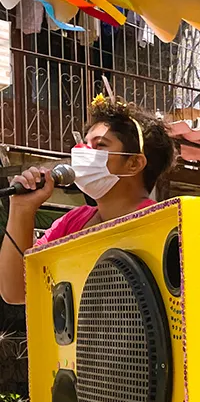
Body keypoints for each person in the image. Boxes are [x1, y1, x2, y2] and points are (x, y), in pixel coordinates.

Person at [0, 97, 175, 304]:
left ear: (134, 163)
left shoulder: (163, 225)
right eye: (84, 144)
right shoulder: (71, 222)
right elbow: (15, 292)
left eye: (99, 145)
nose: (82, 152)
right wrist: (21, 210)